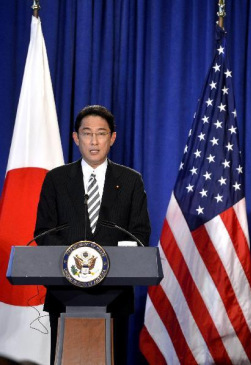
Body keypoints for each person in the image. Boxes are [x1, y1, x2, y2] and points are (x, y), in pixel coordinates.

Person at [34, 105, 151, 364]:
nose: (94, 141)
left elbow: (140, 234)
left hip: (114, 295)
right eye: (87, 134)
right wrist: (78, 258)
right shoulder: (56, 179)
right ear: (76, 138)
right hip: (65, 292)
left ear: (113, 138)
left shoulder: (131, 181)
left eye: (101, 133)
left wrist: (104, 261)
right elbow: (44, 232)